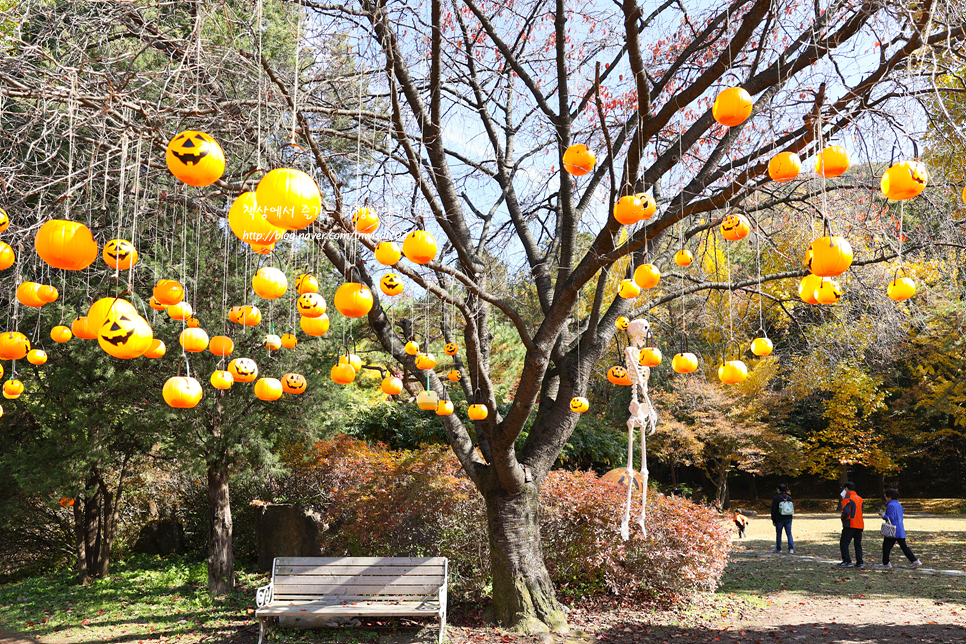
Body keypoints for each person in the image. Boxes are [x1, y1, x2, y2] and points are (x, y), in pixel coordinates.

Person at [874, 488, 923, 570]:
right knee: (904, 546)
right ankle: (914, 560)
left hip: (892, 530)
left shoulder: (890, 505)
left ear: (889, 497)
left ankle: (886, 563)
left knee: (886, 547)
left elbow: (891, 518)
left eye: (886, 496)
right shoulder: (899, 505)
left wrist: (882, 515)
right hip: (900, 529)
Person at [838, 482, 865, 568]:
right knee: (857, 544)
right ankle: (859, 562)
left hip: (850, 524)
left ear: (846, 488)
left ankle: (847, 561)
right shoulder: (860, 498)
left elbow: (846, 511)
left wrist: (842, 518)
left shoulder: (847, 498)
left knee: (844, 543)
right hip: (859, 523)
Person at [771, 483, 795, 554]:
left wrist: (773, 519)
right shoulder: (789, 498)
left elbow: (774, 510)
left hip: (779, 518)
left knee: (779, 534)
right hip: (788, 518)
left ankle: (779, 548)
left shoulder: (776, 498)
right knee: (789, 533)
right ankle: (791, 548)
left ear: (778, 490)